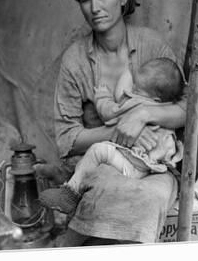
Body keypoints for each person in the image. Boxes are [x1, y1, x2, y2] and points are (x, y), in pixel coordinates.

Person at [49, 0, 188, 244]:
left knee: (148, 198)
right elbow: (66, 139)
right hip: (104, 164)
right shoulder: (76, 59)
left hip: (155, 166)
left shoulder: (151, 46)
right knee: (105, 191)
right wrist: (118, 130)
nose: (95, 7)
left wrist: (143, 116)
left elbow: (188, 110)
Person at [40, 57, 184, 214]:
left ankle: (70, 194)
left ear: (154, 98)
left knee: (97, 151)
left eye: (136, 90)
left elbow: (109, 112)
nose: (131, 91)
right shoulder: (167, 108)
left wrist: (102, 96)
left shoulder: (136, 104)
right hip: (153, 167)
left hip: (134, 167)